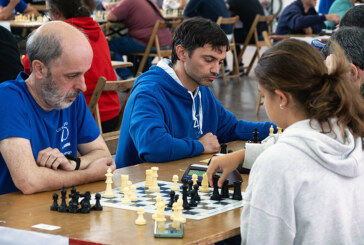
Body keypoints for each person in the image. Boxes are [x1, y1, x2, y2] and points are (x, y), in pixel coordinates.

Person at [207, 39, 364, 243]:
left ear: (282, 98)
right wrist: (243, 156)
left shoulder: (277, 164)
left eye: (263, 96)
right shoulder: (351, 141)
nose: (264, 104)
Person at [115, 17, 275, 168]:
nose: (216, 70)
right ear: (182, 53)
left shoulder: (202, 90)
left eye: (220, 62)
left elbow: (231, 128)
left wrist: (279, 129)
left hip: (178, 178)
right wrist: (200, 145)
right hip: (139, 187)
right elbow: (153, 146)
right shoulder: (149, 91)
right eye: (208, 60)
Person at [0, 21, 116, 195]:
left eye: (84, 73)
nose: (83, 86)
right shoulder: (8, 98)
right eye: (72, 75)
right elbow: (28, 181)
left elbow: (104, 157)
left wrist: (72, 163)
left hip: (52, 208)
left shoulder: (70, 98)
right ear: (39, 69)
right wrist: (89, 174)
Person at [22, 0, 120, 133]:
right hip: (112, 113)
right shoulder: (97, 30)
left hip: (86, 117)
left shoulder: (61, 35)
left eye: (48, 13)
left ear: (57, 13)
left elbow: (29, 65)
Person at [106, 0, 172, 79]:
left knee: (109, 46)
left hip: (151, 44)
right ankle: (143, 74)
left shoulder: (128, 1)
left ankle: (128, 78)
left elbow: (110, 16)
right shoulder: (148, 1)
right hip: (165, 43)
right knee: (133, 42)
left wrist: (116, 6)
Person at [275, 0, 340, 35]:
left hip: (298, 47)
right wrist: (325, 17)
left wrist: (311, 28)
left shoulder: (310, 10)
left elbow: (322, 26)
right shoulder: (291, 9)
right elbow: (299, 22)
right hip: (283, 50)